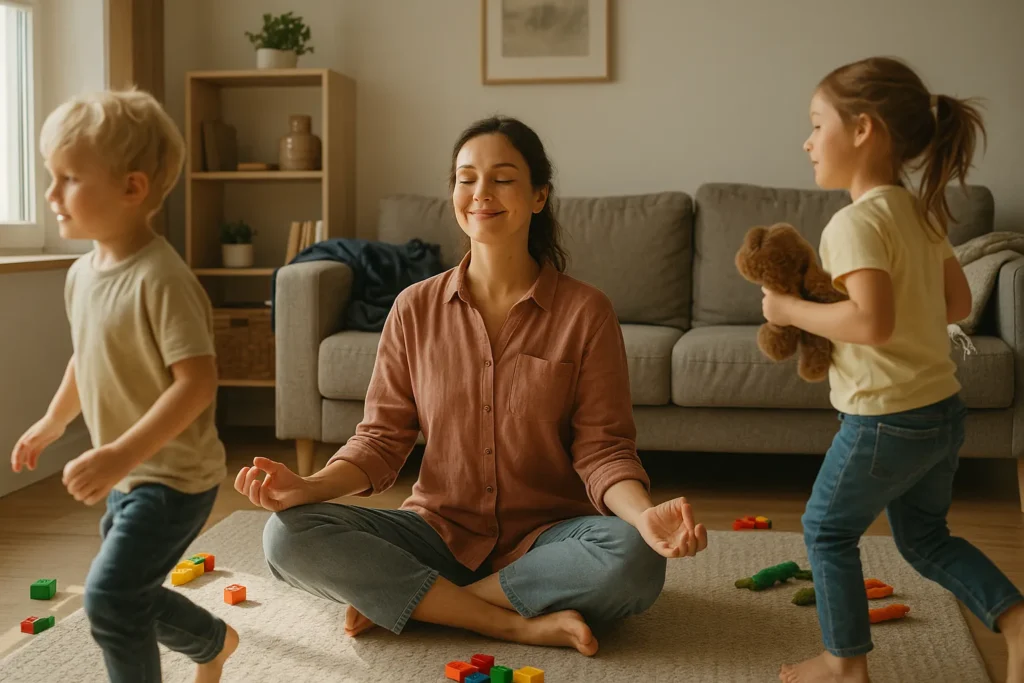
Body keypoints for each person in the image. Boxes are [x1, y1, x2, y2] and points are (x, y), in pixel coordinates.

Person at [235, 115, 708, 656]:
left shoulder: (586, 312)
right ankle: (506, 621)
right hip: (437, 532)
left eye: (503, 178)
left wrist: (643, 516)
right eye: (466, 178)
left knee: (635, 557)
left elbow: (603, 450)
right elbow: (381, 440)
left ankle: (429, 604)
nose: (481, 193)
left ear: (538, 196)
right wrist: (308, 487)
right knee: (285, 535)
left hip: (550, 539)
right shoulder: (414, 308)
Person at [761, 57, 1024, 683]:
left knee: (825, 530)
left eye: (816, 122)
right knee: (926, 539)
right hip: (942, 411)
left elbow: (870, 324)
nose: (806, 139)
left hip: (884, 419)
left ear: (863, 130)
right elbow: (958, 305)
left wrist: (788, 308)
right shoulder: (918, 211)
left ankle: (844, 662)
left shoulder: (853, 223)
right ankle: (1017, 622)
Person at [10, 89, 239, 682]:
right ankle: (211, 640)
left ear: (132, 188)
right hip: (128, 473)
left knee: (109, 600)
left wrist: (117, 454)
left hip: (174, 479)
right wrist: (55, 420)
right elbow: (86, 359)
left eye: (68, 179)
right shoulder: (81, 274)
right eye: (50, 177)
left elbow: (197, 383)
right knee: (128, 593)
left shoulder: (162, 278)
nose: (51, 195)